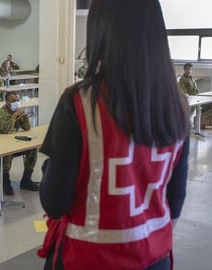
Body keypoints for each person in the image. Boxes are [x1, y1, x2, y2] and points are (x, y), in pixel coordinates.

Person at [38, 1, 190, 269]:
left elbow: (54, 203)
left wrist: (50, 166)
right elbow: (175, 198)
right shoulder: (177, 103)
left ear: (100, 31)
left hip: (89, 258)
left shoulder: (80, 102)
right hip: (155, 257)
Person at [0, 92, 39, 196]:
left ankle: (26, 180)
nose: (16, 102)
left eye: (17, 100)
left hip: (12, 140)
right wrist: (14, 116)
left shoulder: (17, 110)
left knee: (32, 149)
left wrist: (24, 116)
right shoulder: (1, 113)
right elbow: (5, 130)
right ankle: (5, 182)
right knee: (7, 153)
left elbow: (27, 128)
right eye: (13, 101)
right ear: (7, 102)